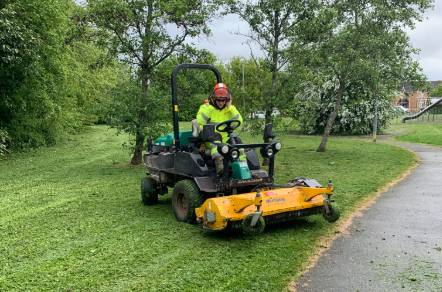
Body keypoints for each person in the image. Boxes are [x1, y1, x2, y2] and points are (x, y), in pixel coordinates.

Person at [194, 83, 243, 174]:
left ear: (227, 99)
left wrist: (230, 107)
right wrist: (202, 142)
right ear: (213, 99)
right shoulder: (206, 108)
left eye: (223, 100)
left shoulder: (229, 109)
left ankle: (243, 167)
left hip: (226, 138)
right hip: (210, 138)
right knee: (217, 142)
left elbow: (239, 121)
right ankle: (220, 169)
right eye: (218, 100)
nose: (221, 103)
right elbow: (200, 123)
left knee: (238, 142)